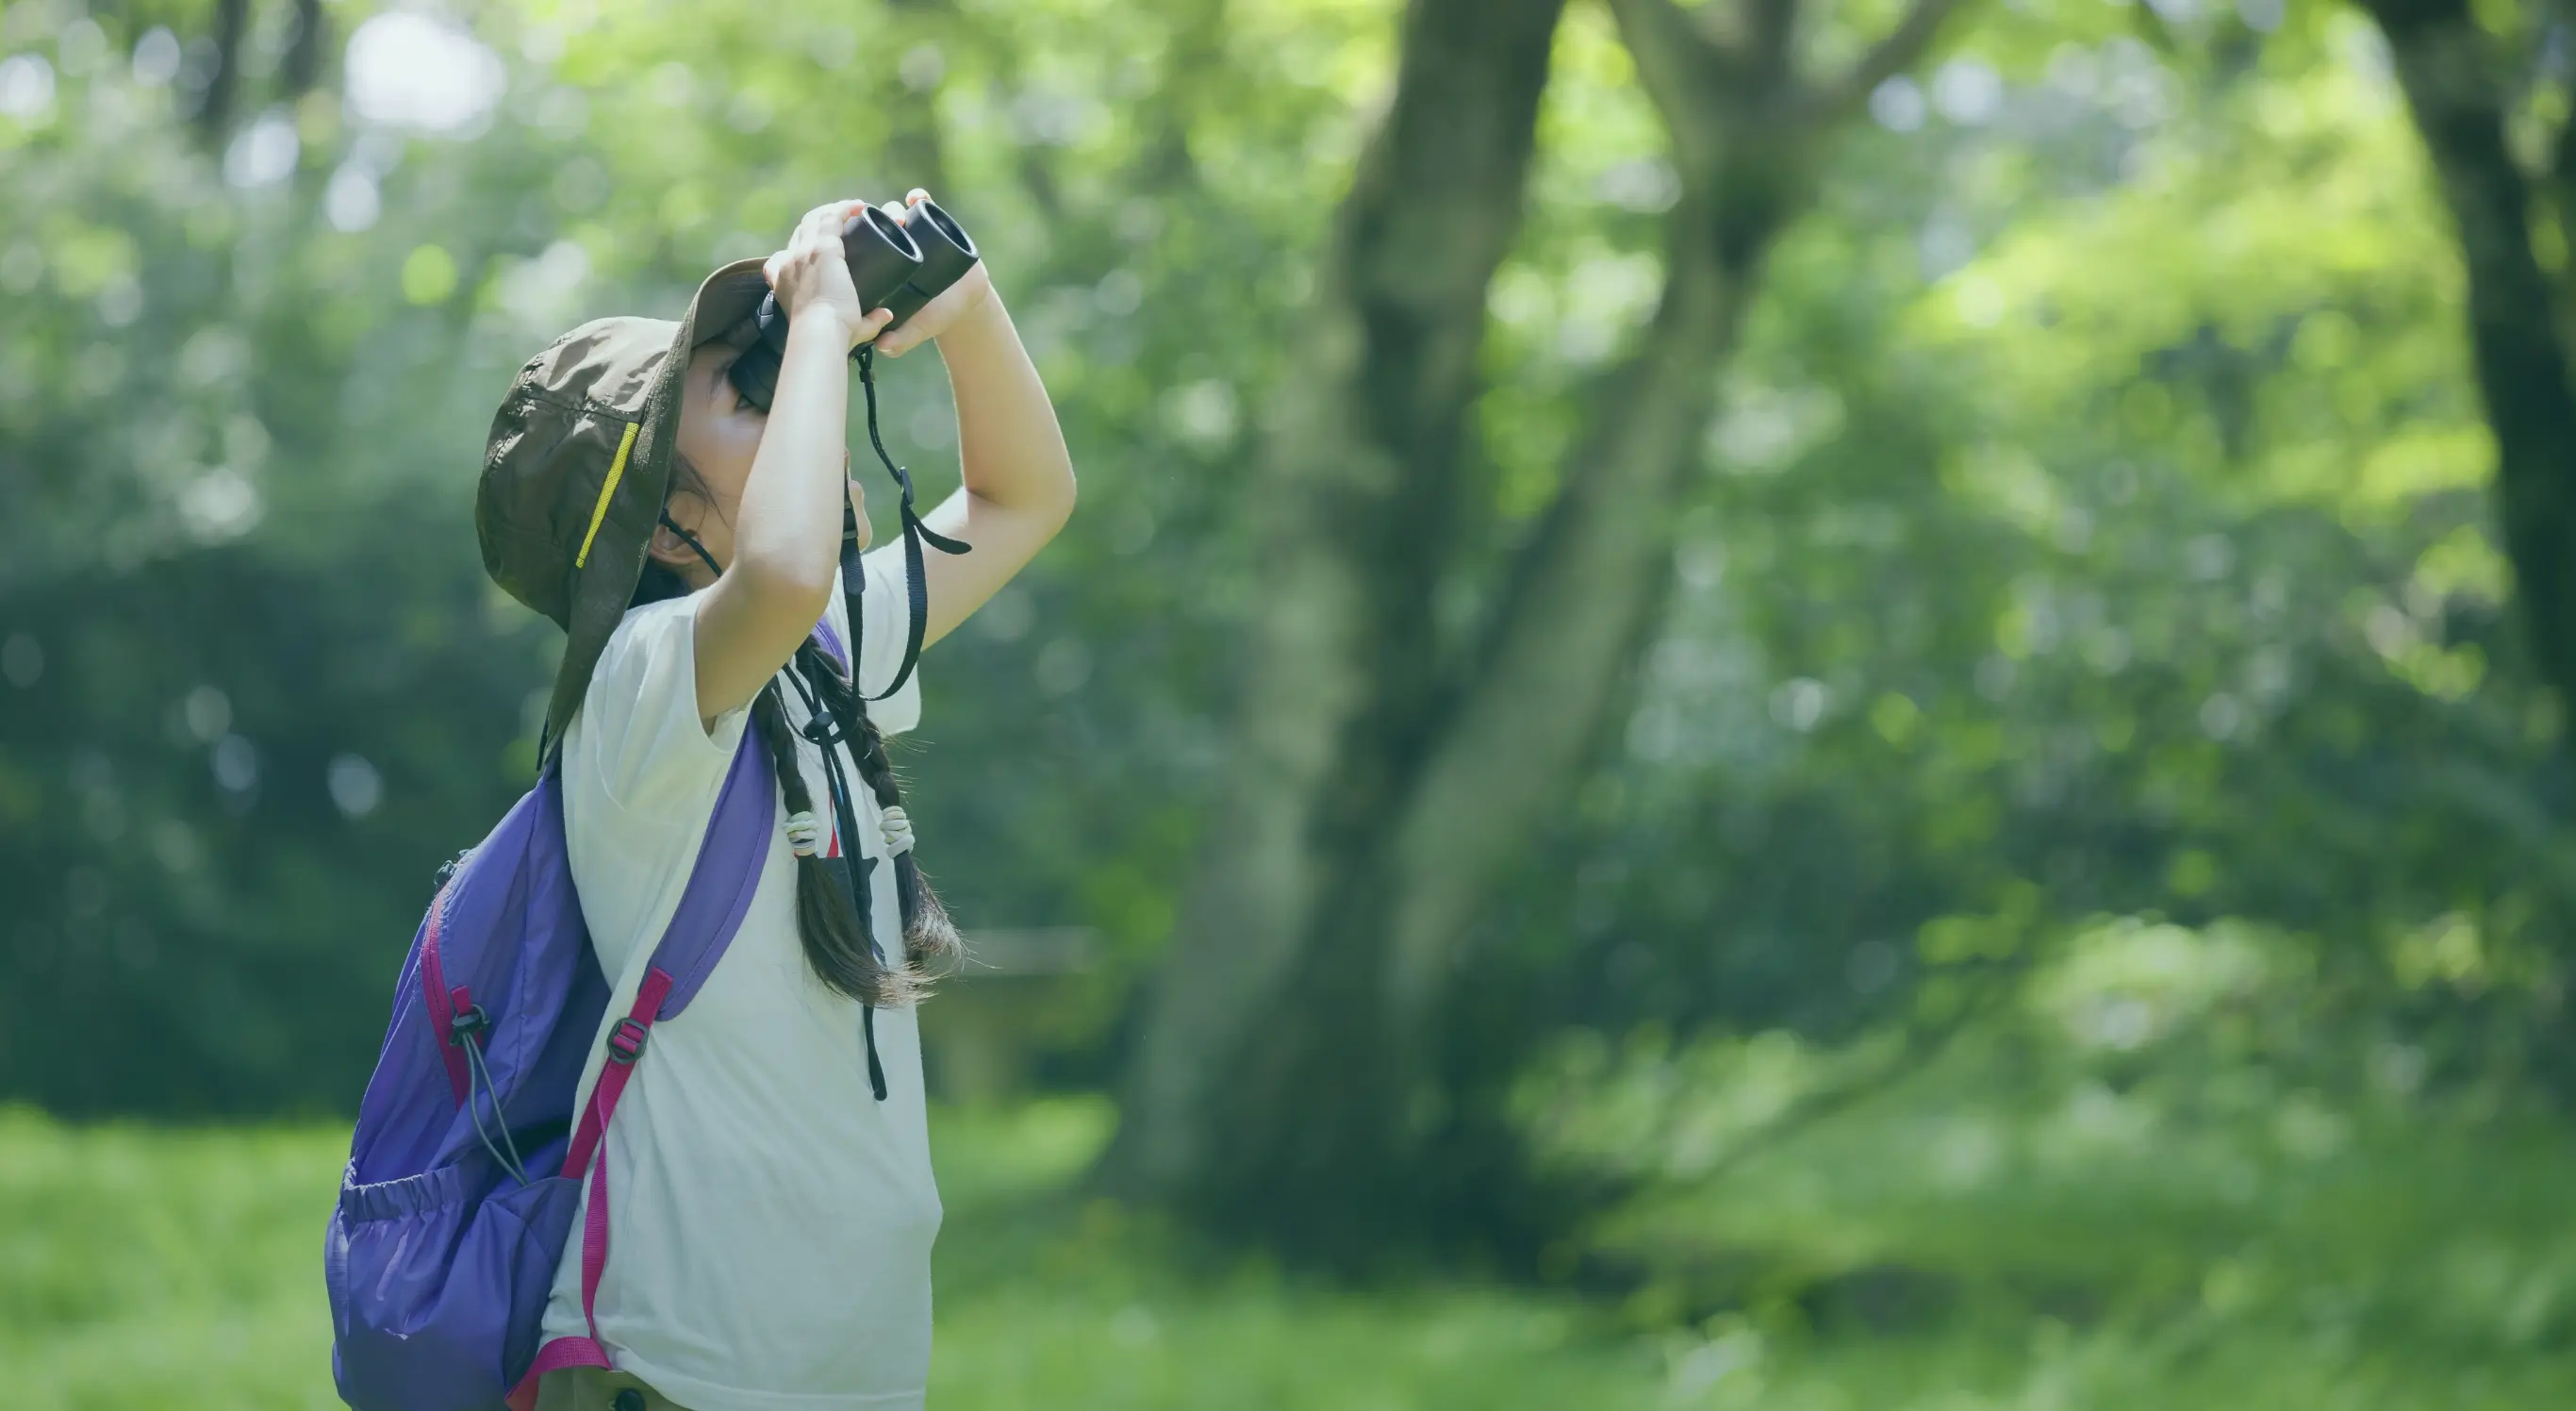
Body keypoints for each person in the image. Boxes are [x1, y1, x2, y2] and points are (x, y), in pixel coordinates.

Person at [473, 192, 1076, 1411]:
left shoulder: (819, 664)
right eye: (748, 396)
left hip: (841, 1372)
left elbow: (1023, 499)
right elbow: (789, 570)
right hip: (675, 1367)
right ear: (664, 522)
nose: (800, 403)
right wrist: (812, 323)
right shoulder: (640, 690)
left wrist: (963, 308)